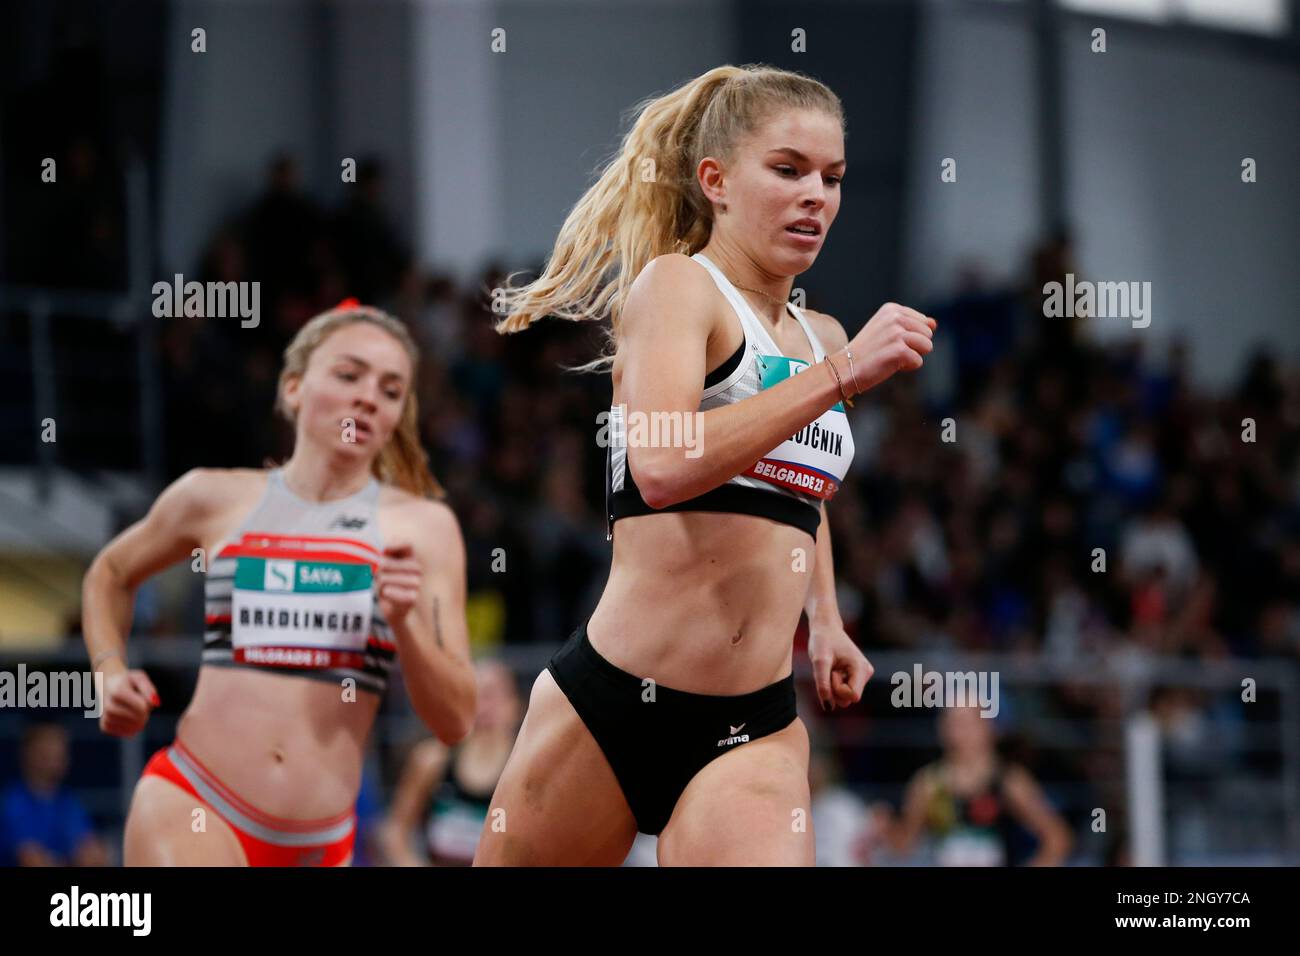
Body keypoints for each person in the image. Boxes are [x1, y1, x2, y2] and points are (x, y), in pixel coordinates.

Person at [475, 63, 936, 866]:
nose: (815, 196)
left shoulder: (822, 335)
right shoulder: (679, 289)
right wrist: (843, 377)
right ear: (716, 180)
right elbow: (660, 464)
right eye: (788, 170)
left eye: (832, 178)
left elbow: (801, 489)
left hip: (752, 727)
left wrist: (825, 619)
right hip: (610, 704)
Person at [81, 301, 476, 865]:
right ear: (293, 388)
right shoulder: (212, 497)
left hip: (323, 842)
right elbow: (110, 573)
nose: (368, 396)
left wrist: (406, 626)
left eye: (390, 390)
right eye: (348, 375)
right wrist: (108, 672)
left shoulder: (425, 528)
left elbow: (456, 720)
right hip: (195, 803)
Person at [870, 704, 1074, 866]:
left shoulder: (1008, 780)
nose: (959, 732)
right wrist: (886, 828)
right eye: (952, 723)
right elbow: (905, 844)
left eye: (967, 722)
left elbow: (1057, 838)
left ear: (987, 728)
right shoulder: (929, 782)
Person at [379, 659, 521, 865]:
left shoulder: (526, 773)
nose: (484, 707)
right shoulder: (432, 760)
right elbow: (394, 833)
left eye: (492, 695)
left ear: (514, 706)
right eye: (474, 696)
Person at [0, 723, 109, 866]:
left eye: (60, 754)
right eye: (46, 754)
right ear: (27, 755)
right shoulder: (12, 802)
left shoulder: (68, 801)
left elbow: (93, 855)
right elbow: (32, 861)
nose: (54, 761)